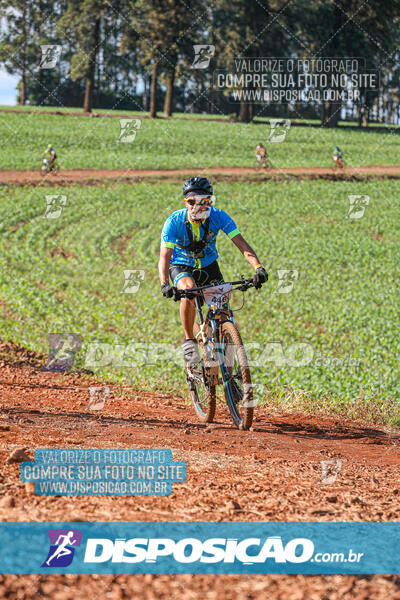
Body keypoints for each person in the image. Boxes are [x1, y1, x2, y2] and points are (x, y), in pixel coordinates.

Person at [158, 176, 268, 366]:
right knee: (188, 291)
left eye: (202, 202)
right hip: (181, 264)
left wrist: (258, 267)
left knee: (224, 312)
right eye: (190, 202)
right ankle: (189, 341)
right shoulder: (174, 222)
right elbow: (164, 256)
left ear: (209, 202)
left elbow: (242, 244)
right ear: (186, 203)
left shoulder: (219, 217)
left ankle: (230, 374)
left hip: (209, 265)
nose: (196, 207)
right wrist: (164, 284)